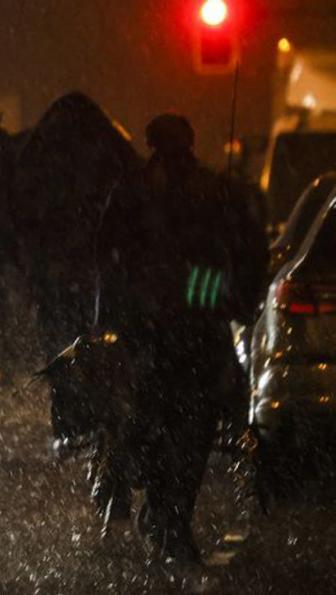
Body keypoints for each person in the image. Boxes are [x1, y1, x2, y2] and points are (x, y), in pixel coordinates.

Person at [93, 113, 266, 563]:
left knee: (165, 425)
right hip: (190, 334)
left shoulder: (133, 191)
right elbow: (247, 253)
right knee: (190, 429)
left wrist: (109, 317)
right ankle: (170, 515)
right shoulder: (215, 190)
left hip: (161, 334)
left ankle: (163, 511)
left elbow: (105, 258)